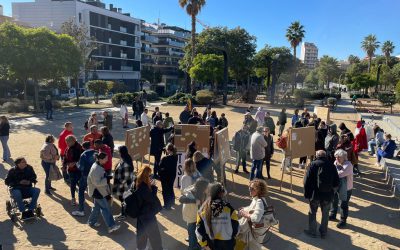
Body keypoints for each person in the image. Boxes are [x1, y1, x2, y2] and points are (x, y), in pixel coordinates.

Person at [304, 150, 339, 238]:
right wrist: (333, 193)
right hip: (327, 195)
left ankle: (312, 232)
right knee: (325, 213)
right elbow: (336, 182)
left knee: (312, 212)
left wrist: (307, 194)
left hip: (314, 194)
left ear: (317, 155)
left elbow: (306, 181)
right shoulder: (332, 165)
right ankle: (323, 232)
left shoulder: (313, 164)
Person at [196, 182, 239, 249]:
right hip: (227, 244)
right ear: (222, 193)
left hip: (210, 244)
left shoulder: (202, 210)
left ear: (208, 193)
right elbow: (236, 227)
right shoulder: (229, 208)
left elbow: (199, 230)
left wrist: (204, 245)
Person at [87, 152, 120, 233]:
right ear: (101, 159)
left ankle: (91, 222)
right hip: (97, 192)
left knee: (96, 208)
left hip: (97, 191)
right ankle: (111, 226)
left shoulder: (98, 165)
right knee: (106, 208)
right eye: (106, 158)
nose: (107, 160)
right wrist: (107, 179)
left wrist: (107, 177)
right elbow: (97, 183)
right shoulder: (95, 169)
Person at [135, 165, 163, 250]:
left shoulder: (137, 183)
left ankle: (141, 248)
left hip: (140, 214)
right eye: (149, 175)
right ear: (146, 176)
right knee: (155, 236)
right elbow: (151, 199)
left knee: (141, 234)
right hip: (147, 214)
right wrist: (154, 188)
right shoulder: (144, 187)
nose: (151, 177)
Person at [238, 179, 269, 249]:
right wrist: (245, 209)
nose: (250, 190)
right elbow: (253, 208)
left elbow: (256, 218)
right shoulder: (258, 198)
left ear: (259, 190)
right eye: (249, 187)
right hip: (254, 232)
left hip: (255, 234)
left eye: (252, 189)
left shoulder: (259, 201)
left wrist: (245, 214)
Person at [179, 177, 209, 250]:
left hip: (198, 215)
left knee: (197, 232)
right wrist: (194, 201)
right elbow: (181, 199)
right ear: (202, 187)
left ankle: (196, 245)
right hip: (191, 216)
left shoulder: (202, 192)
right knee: (192, 233)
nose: (208, 188)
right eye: (207, 187)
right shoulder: (190, 192)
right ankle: (192, 247)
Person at [329, 149, 354, 228]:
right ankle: (333, 214)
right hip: (336, 186)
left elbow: (340, 174)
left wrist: (333, 172)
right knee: (334, 201)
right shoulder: (336, 162)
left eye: (339, 157)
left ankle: (343, 220)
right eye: (336, 157)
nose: (337, 159)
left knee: (343, 204)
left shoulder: (348, 165)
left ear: (344, 157)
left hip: (346, 189)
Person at [72, 141, 96, 217]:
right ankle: (95, 208)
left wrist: (77, 164)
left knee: (81, 191)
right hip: (95, 175)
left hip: (86, 175)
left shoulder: (83, 155)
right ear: (90, 145)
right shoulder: (96, 152)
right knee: (95, 192)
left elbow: (81, 168)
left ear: (83, 147)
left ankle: (81, 210)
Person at [112, 146, 134, 220]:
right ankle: (125, 212)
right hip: (123, 185)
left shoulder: (126, 163)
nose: (118, 152)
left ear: (121, 152)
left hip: (123, 186)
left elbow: (125, 178)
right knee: (123, 199)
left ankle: (123, 214)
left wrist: (119, 185)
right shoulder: (125, 159)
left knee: (123, 199)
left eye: (119, 151)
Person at [63, 135, 83, 206]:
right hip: (71, 170)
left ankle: (81, 198)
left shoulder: (80, 148)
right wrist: (65, 165)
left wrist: (74, 163)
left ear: (73, 141)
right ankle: (73, 198)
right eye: (66, 142)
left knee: (81, 184)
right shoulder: (67, 148)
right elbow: (65, 158)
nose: (67, 144)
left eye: (68, 142)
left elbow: (82, 158)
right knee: (72, 184)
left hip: (79, 170)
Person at [159, 143, 178, 210]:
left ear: (168, 150)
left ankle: (167, 205)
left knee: (165, 191)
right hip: (172, 175)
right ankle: (172, 202)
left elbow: (159, 167)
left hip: (165, 177)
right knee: (170, 188)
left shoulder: (165, 158)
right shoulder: (176, 157)